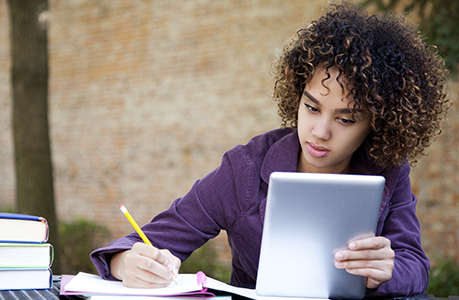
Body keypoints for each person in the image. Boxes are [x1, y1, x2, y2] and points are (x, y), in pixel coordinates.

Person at [90, 1, 449, 297]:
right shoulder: (244, 168)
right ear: (297, 95)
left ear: (377, 122)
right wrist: (126, 262)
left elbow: (414, 266)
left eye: (345, 119)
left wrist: (387, 270)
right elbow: (147, 241)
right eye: (311, 107)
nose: (320, 132)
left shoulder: (388, 169)